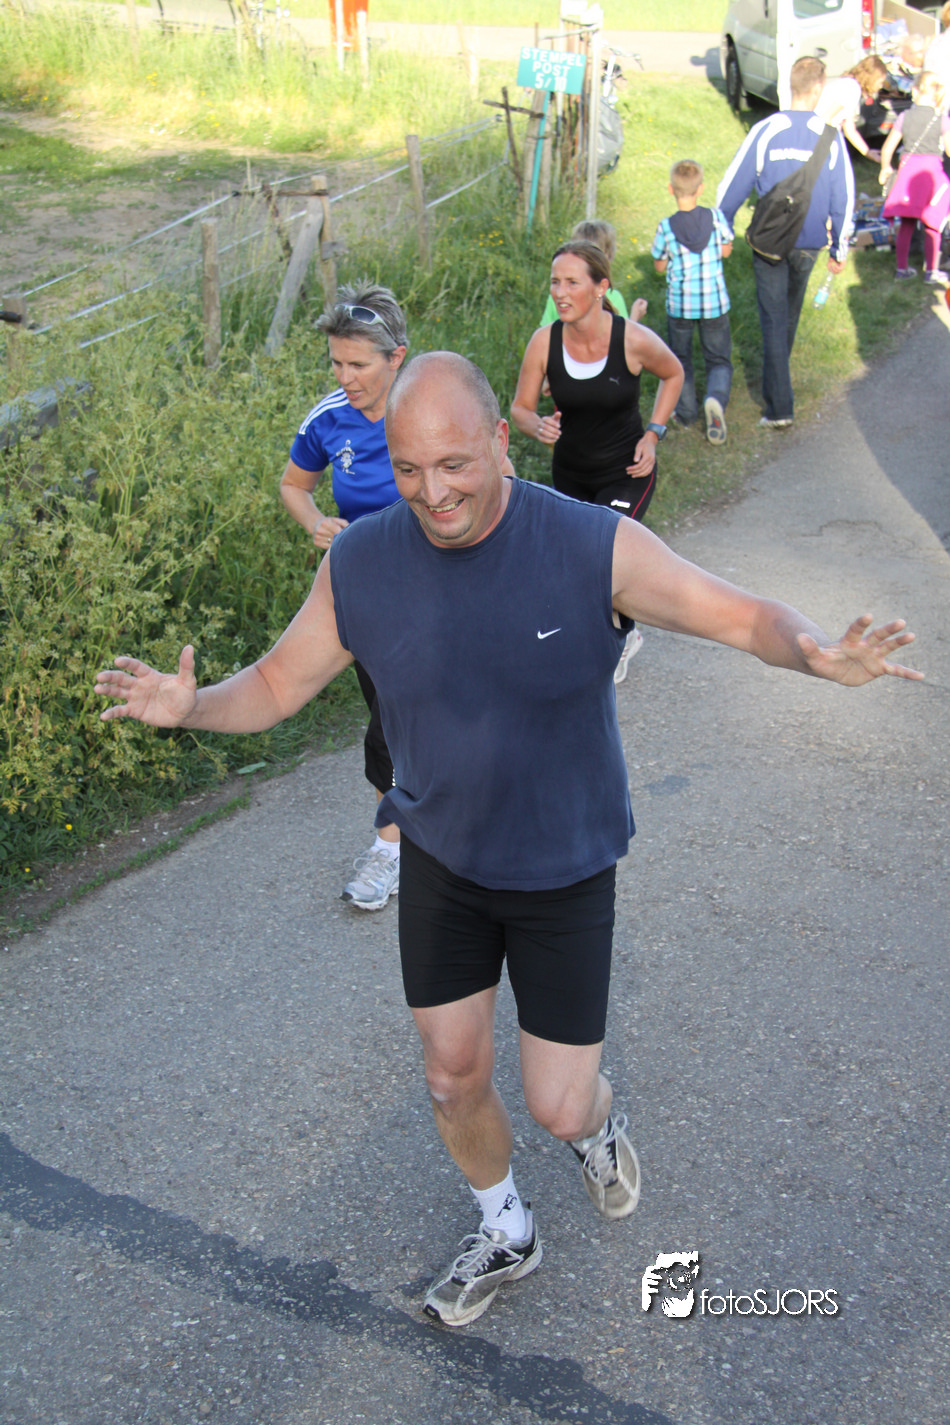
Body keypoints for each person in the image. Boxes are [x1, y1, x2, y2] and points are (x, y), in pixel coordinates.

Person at [94, 351, 922, 1331]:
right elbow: (276, 685)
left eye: (454, 464)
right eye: (408, 469)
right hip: (442, 855)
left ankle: (595, 1126)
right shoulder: (360, 562)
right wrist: (190, 707)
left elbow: (737, 615)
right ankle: (505, 1227)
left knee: (559, 1104)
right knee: (450, 1072)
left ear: (499, 441)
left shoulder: (587, 546)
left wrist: (815, 656)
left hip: (562, 865)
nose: (432, 492)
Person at [278, 283, 409, 911]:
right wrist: (316, 523)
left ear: (396, 357)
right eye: (336, 362)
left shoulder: (432, 406)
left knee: (447, 711)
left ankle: (413, 841)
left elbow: (502, 480)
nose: (344, 377)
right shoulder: (328, 418)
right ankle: (397, 846)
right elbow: (294, 485)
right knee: (388, 716)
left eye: (358, 364)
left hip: (448, 587)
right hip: (367, 594)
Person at [510, 240, 684, 683]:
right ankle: (610, 631)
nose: (560, 292)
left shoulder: (632, 339)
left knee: (600, 553)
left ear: (601, 287)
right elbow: (520, 409)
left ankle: (615, 639)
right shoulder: (544, 342)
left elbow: (673, 373)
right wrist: (537, 426)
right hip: (570, 475)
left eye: (572, 282)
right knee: (574, 562)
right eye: (555, 282)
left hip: (626, 472)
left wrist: (654, 434)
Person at [717, 55, 855, 431]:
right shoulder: (831, 136)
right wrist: (840, 248)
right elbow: (844, 197)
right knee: (788, 316)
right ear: (819, 88)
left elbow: (732, 186)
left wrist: (723, 230)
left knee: (773, 319)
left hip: (769, 241)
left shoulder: (766, 130)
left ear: (790, 85)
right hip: (809, 243)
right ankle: (779, 390)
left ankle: (778, 405)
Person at [651, 159, 734, 446]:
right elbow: (726, 250)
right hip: (714, 303)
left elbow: (659, 266)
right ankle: (715, 399)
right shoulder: (716, 218)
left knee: (680, 360)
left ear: (670, 189)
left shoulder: (666, 227)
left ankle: (686, 413)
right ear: (701, 189)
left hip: (680, 306)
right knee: (719, 359)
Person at [879, 71, 950, 287]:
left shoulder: (904, 117)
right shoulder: (941, 119)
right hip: (931, 175)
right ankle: (931, 271)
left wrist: (885, 167)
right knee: (932, 224)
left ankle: (902, 269)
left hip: (908, 172)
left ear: (914, 91)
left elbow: (887, 148)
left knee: (907, 222)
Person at [537, 218, 645, 327]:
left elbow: (546, 332)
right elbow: (623, 336)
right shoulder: (614, 298)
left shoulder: (558, 294)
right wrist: (634, 317)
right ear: (607, 259)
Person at [816, 55, 889, 162]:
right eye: (880, 82)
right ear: (871, 78)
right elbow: (826, 117)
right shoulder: (852, 88)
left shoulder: (850, 85)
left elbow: (849, 129)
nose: (881, 86)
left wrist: (867, 152)